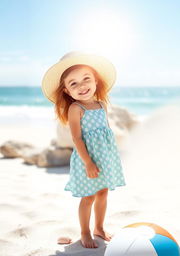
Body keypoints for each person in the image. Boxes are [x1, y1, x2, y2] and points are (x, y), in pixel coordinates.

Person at [41, 51, 126, 248]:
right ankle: (85, 231)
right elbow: (77, 138)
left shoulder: (102, 104)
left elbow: (105, 132)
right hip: (87, 158)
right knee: (89, 196)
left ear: (95, 80)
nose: (82, 86)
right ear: (66, 91)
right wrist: (88, 162)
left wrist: (110, 155)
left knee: (104, 192)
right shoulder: (76, 109)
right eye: (74, 83)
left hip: (105, 157)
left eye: (86, 79)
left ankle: (99, 227)